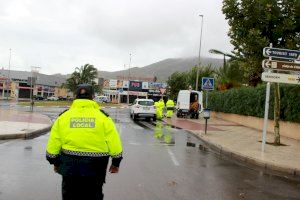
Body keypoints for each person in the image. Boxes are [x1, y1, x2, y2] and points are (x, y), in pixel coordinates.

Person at [46, 84, 123, 200]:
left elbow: (54, 141)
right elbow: (114, 141)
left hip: (69, 167)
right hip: (96, 167)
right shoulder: (104, 118)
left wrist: (55, 162)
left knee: (70, 195)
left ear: (75, 96)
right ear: (93, 97)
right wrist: (116, 162)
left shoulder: (64, 117)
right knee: (94, 195)